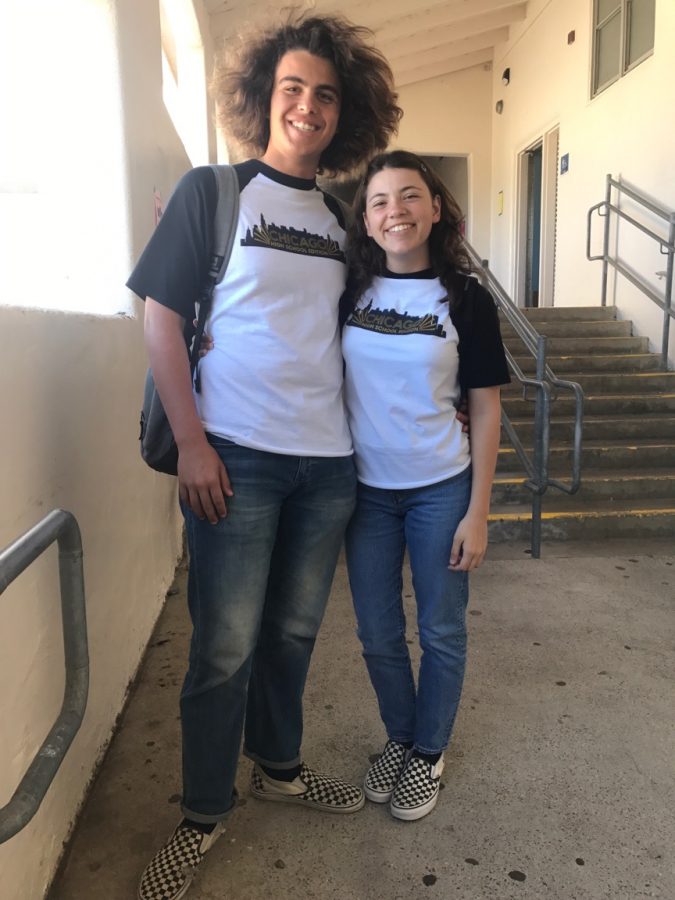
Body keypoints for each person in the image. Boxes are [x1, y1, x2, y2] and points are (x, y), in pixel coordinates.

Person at [126, 13, 401, 900]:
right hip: (235, 459)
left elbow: (367, 330)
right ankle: (203, 812)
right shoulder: (213, 192)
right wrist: (196, 443)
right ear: (262, 97)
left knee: (290, 633)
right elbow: (160, 319)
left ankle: (277, 766)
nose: (308, 106)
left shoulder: (341, 217)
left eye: (325, 94)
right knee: (223, 647)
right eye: (292, 89)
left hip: (328, 465)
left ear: (345, 111)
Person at [340, 150, 509, 822]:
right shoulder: (348, 292)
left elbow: (487, 404)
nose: (395, 212)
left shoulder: (465, 298)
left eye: (409, 196)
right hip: (364, 493)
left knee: (440, 630)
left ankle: (428, 751)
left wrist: (479, 511)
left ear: (435, 208)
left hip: (441, 486)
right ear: (367, 220)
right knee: (377, 633)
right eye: (380, 201)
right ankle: (402, 736)